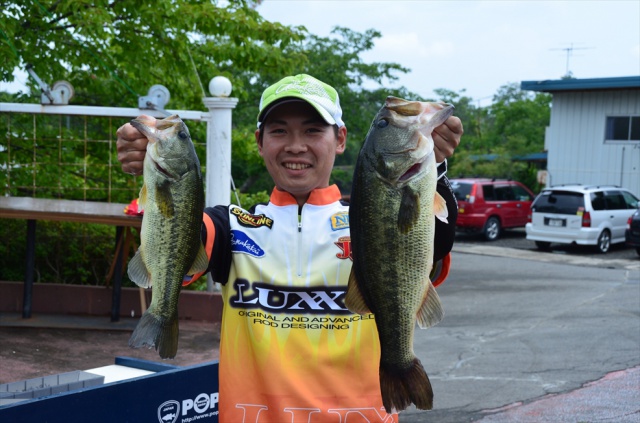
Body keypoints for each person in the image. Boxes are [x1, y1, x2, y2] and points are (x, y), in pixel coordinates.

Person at [117, 74, 463, 423]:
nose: (295, 145)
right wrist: (147, 151)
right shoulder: (231, 227)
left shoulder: (370, 224)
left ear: (340, 138)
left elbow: (436, 240)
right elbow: (180, 235)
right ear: (260, 141)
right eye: (279, 131)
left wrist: (436, 165)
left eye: (313, 130)